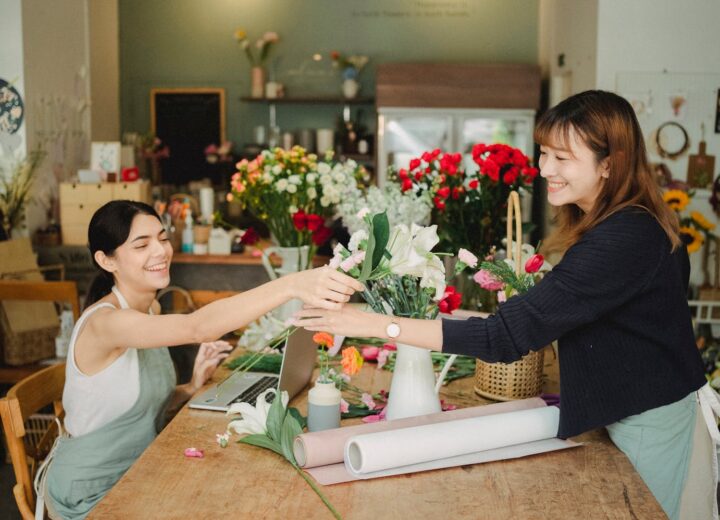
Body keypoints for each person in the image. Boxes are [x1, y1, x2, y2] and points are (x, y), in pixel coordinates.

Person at [295, 90, 717, 520]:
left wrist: (373, 323)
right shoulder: (625, 225)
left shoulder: (624, 239)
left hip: (655, 423)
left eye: (562, 158)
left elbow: (504, 337)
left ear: (610, 163)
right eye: (544, 154)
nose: (545, 169)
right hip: (636, 412)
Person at [42, 200, 363, 519]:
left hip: (139, 474)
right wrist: (291, 285)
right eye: (141, 245)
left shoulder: (149, 310)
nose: (160, 251)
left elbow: (126, 409)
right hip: (90, 493)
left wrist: (191, 386)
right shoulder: (106, 323)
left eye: (163, 238)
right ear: (106, 260)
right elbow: (197, 327)